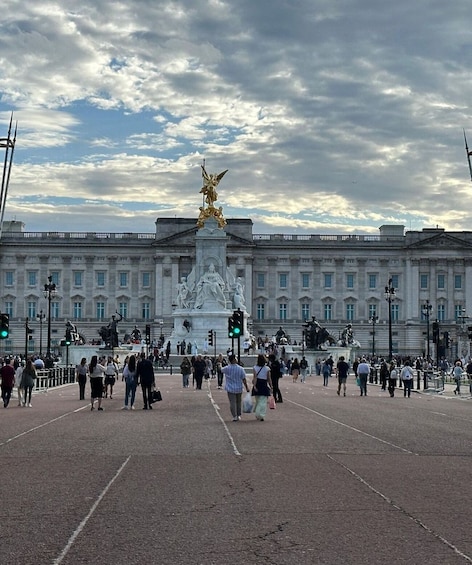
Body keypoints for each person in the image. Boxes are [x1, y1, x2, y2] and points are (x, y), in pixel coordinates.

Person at [222, 354, 250, 421]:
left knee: (232, 402)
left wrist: (220, 364)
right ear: (234, 360)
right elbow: (244, 379)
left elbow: (221, 370)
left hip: (230, 388)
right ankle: (238, 415)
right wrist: (246, 387)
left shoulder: (227, 368)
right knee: (238, 402)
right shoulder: (240, 369)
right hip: (239, 387)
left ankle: (234, 415)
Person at [251, 354, 273, 421]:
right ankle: (261, 414)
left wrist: (254, 386)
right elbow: (269, 378)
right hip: (264, 384)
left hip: (258, 384)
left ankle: (258, 413)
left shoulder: (255, 367)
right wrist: (271, 386)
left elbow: (255, 378)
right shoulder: (267, 369)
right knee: (263, 401)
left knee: (258, 400)